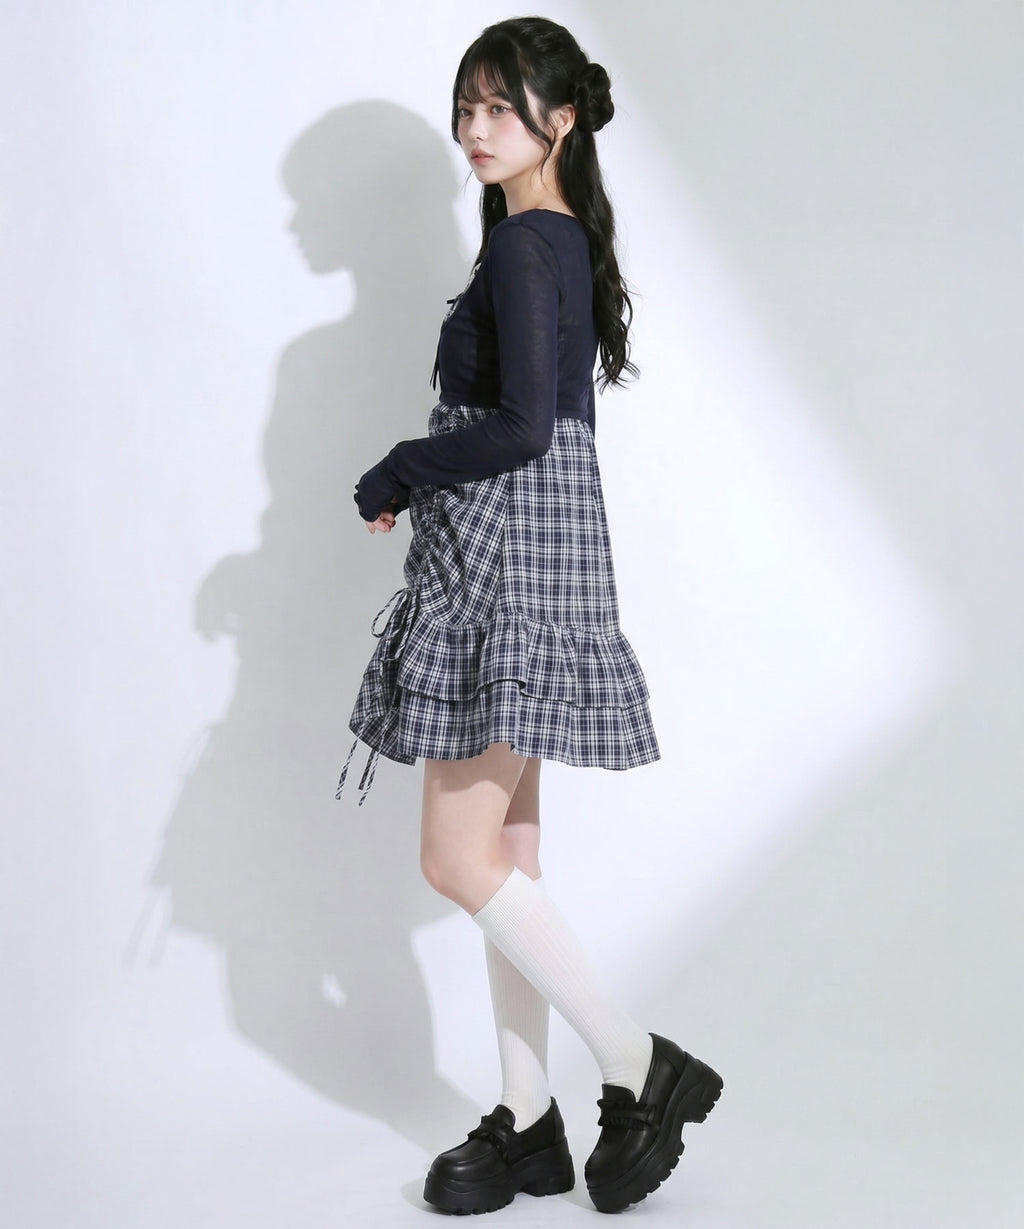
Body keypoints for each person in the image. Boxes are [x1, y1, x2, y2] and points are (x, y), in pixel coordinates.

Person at [342, 16, 723, 1215]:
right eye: (465, 106)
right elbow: (548, 427)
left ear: (558, 120)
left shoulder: (523, 245)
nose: (473, 128)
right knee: (506, 855)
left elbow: (513, 428)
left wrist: (398, 469)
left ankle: (636, 1060)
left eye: (497, 107)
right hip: (544, 547)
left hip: (504, 553)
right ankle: (525, 1120)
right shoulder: (556, 238)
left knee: (454, 857)